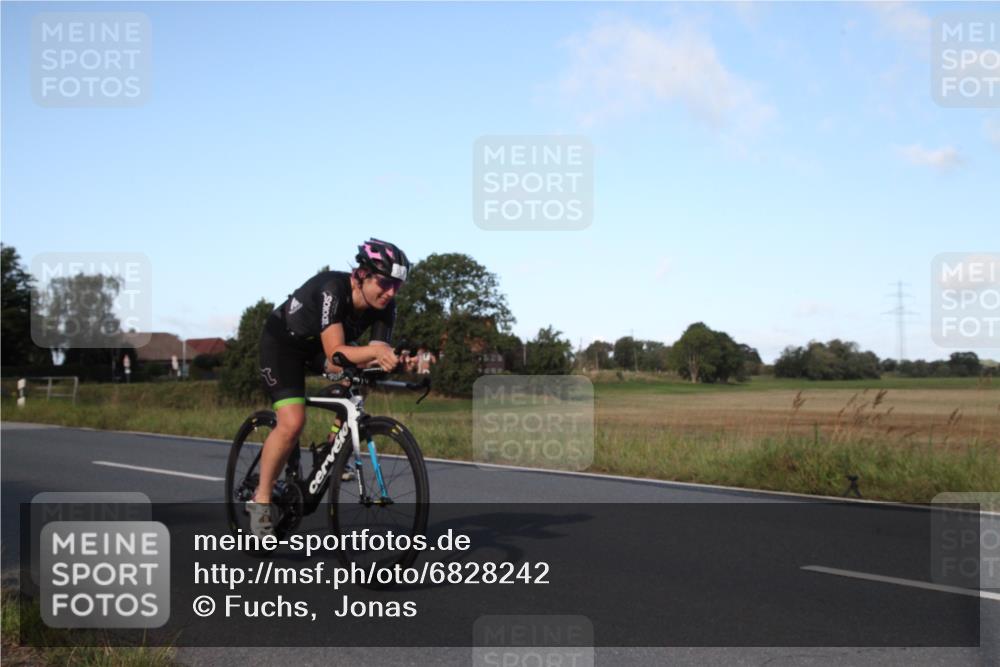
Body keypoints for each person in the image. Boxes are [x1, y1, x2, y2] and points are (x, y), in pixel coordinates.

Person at [247, 238, 411, 537]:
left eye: (397, 286)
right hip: (283, 345)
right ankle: (262, 500)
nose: (391, 292)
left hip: (318, 350)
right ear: (362, 274)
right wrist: (376, 353)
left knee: (363, 375)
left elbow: (373, 356)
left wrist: (391, 361)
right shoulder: (332, 290)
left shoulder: (386, 307)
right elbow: (336, 352)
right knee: (292, 422)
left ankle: (332, 446)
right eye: (385, 283)